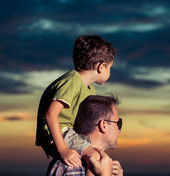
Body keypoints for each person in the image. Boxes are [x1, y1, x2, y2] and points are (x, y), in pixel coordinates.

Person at [36, 34, 117, 167]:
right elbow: (50, 114)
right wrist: (63, 150)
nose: (109, 71)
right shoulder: (72, 81)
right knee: (95, 158)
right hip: (59, 132)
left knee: (101, 156)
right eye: (110, 67)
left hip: (72, 132)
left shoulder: (90, 90)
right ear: (101, 67)